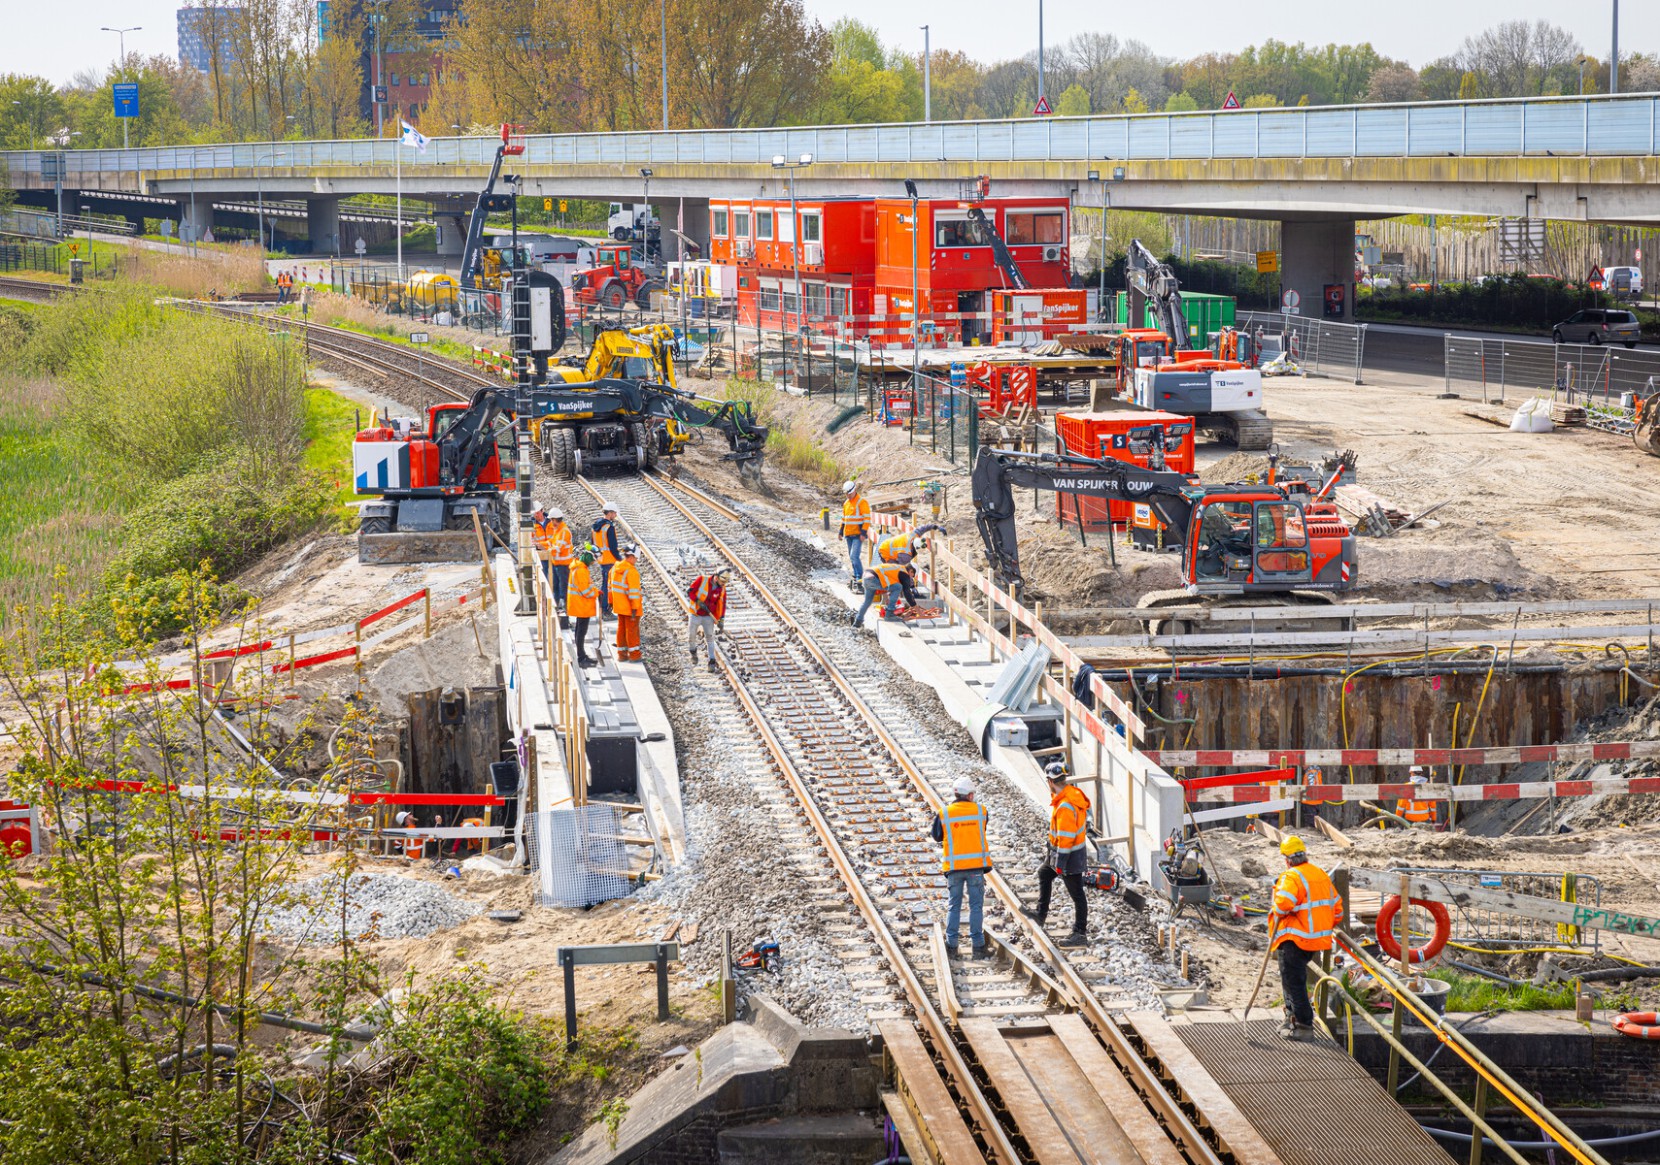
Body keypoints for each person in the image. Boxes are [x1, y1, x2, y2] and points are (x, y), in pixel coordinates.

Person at [1269, 834, 1343, 1040]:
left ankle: (1303, 1026)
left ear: (1287, 859)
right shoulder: (1320, 874)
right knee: (1294, 979)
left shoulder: (1292, 877)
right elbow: (1337, 911)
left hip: (1295, 941)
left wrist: (1275, 899)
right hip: (1315, 942)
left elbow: (1283, 904)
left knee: (1294, 982)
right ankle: (1291, 1018)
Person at [1024, 762, 1091, 947]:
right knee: (1044, 873)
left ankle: (1080, 933)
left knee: (1077, 894)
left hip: (1068, 857)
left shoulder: (1065, 806)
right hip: (1063, 854)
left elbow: (1066, 837)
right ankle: (1040, 914)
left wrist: (1060, 862)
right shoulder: (1071, 795)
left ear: (1051, 782)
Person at [931, 776, 990, 958]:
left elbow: (937, 836)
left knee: (954, 906)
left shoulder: (944, 813)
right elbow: (982, 828)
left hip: (954, 868)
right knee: (976, 907)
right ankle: (978, 947)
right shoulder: (981, 811)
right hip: (976, 868)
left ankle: (952, 945)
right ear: (970, 795)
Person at [876, 523, 943, 608]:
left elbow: (923, 527)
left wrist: (935, 526)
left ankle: (894, 599)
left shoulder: (914, 535)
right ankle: (888, 602)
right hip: (885, 551)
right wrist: (912, 586)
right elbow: (903, 571)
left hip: (890, 547)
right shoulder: (905, 555)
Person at [687, 567, 728, 671]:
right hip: (695, 614)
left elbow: (722, 605)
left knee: (710, 637)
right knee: (691, 636)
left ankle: (712, 661)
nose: (723, 584)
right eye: (722, 581)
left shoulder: (722, 588)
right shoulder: (702, 580)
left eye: (724, 582)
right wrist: (698, 601)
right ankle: (693, 652)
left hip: (709, 617)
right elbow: (690, 592)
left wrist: (721, 619)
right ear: (716, 577)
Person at [609, 543, 644, 663]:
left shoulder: (615, 568)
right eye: (636, 558)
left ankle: (622, 655)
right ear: (632, 556)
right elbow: (634, 593)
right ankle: (634, 655)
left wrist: (610, 601)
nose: (636, 560)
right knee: (632, 630)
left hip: (619, 606)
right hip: (630, 608)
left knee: (621, 630)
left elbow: (610, 586)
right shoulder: (631, 572)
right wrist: (635, 608)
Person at [567, 546, 600, 667]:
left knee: (580, 630)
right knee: (581, 631)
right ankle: (581, 658)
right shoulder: (580, 570)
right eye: (593, 559)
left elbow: (587, 585)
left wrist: (595, 590)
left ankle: (581, 655)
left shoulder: (581, 568)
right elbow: (586, 591)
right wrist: (596, 593)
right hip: (582, 604)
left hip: (580, 604)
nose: (593, 562)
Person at [853, 557, 906, 628]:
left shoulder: (890, 569)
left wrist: (887, 598)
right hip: (872, 578)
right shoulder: (900, 572)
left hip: (866, 577)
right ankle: (889, 614)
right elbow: (887, 585)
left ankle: (857, 622)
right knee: (898, 587)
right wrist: (889, 600)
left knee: (867, 602)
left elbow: (884, 584)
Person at [840, 480, 871, 590]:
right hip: (848, 534)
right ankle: (856, 574)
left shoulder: (862, 502)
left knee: (854, 556)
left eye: (849, 493)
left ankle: (859, 578)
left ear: (854, 491)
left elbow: (867, 519)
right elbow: (844, 519)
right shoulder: (846, 503)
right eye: (846, 494)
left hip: (858, 535)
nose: (848, 495)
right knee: (851, 557)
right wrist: (840, 531)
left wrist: (863, 532)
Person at [592, 503, 621, 615]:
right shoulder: (609, 527)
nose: (615, 515)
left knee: (605, 582)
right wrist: (620, 559)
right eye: (614, 513)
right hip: (610, 560)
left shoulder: (595, 527)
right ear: (609, 513)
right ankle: (604, 607)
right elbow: (613, 547)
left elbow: (593, 544)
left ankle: (604, 606)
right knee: (608, 584)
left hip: (602, 559)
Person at [543, 507, 574, 612]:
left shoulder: (564, 531)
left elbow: (557, 548)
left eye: (552, 520)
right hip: (557, 564)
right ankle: (556, 607)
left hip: (564, 565)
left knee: (564, 587)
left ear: (556, 519)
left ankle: (567, 608)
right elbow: (551, 542)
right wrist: (540, 545)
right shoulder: (558, 530)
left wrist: (546, 551)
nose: (551, 523)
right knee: (555, 585)